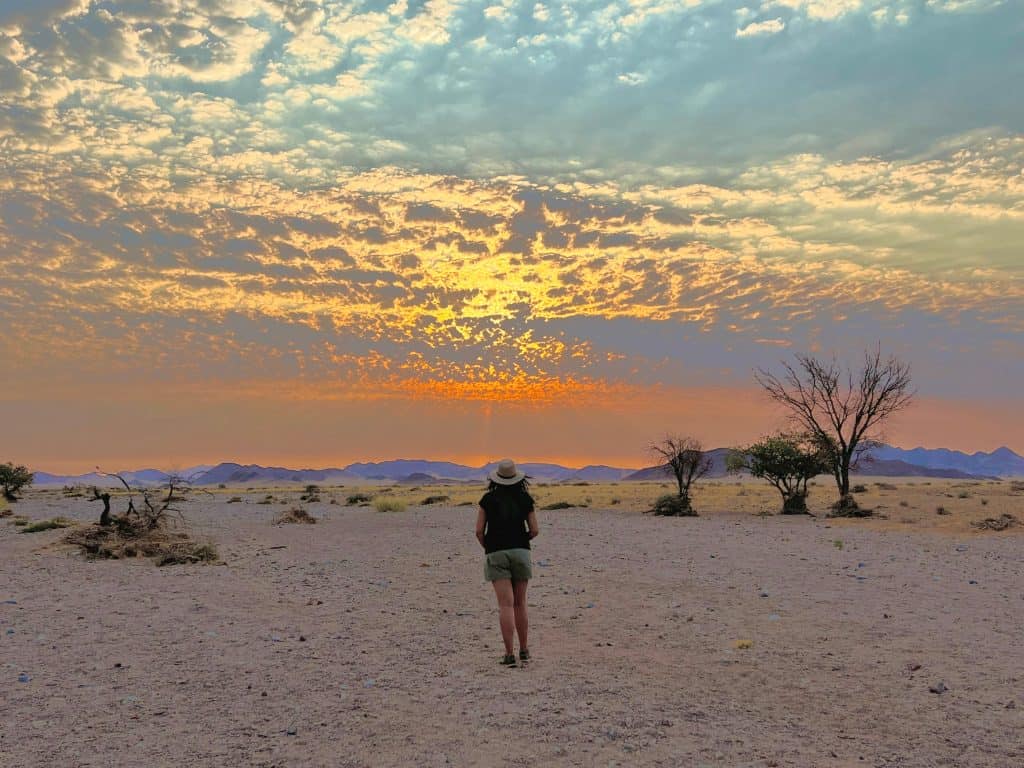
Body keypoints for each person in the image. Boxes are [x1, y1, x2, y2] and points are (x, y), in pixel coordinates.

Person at [476, 458, 539, 667]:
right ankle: (524, 650)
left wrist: (489, 545)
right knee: (520, 603)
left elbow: (478, 530)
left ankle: (508, 654)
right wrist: (522, 541)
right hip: (520, 551)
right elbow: (535, 529)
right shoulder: (524, 498)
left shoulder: (487, 499)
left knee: (505, 605)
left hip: (496, 552)